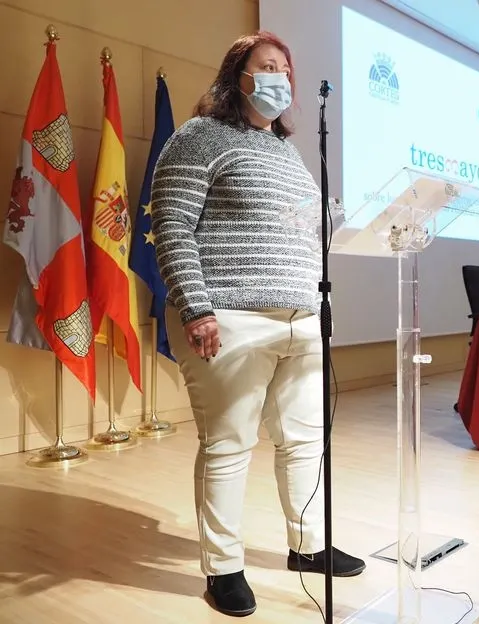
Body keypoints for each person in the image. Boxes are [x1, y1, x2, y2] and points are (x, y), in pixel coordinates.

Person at [151, 31, 364, 617]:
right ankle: (223, 569)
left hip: (300, 319)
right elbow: (170, 223)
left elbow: (302, 232)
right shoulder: (200, 137)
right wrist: (195, 306)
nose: (280, 79)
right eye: (266, 66)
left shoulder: (288, 152)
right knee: (228, 445)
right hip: (230, 318)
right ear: (237, 76)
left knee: (303, 440)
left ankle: (308, 546)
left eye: (286, 70)